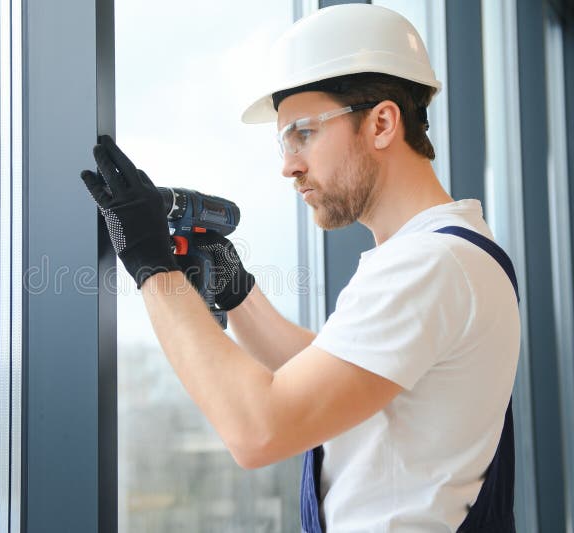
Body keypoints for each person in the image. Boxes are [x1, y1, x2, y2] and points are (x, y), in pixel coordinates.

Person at [80, 4, 520, 532]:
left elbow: (258, 428)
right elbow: (329, 374)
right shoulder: (441, 253)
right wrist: (235, 288)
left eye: (304, 134)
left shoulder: (431, 265)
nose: (288, 165)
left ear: (382, 122)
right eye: (284, 141)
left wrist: (151, 264)